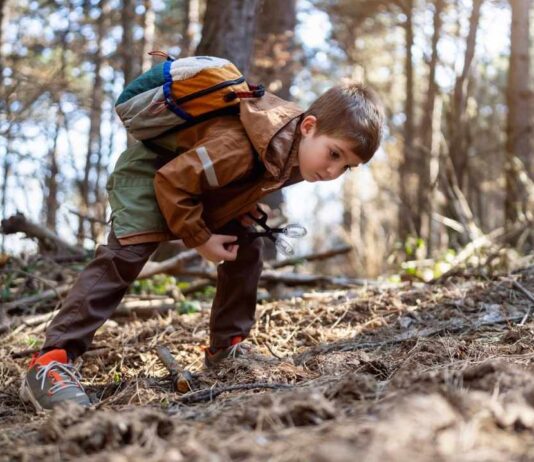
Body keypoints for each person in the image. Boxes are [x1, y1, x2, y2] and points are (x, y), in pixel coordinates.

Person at [20, 83, 384, 411]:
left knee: (248, 246)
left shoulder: (291, 154)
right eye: (334, 154)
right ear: (309, 126)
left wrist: (241, 207)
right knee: (124, 258)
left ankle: (226, 347)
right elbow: (172, 182)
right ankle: (51, 360)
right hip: (152, 176)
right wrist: (201, 240)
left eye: (347, 167)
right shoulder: (242, 145)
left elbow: (231, 180)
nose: (334, 171)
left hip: (192, 190)